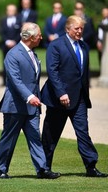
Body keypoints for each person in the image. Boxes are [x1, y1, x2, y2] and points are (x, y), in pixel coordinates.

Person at [41, 15, 108, 178]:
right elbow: (53, 71)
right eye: (76, 28)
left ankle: (91, 167)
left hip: (79, 99)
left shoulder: (84, 46)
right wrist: (61, 93)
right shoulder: (56, 45)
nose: (79, 31)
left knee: (83, 133)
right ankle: (44, 168)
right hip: (58, 99)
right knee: (51, 135)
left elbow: (82, 75)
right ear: (67, 29)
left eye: (81, 29)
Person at [0, 22, 60, 179]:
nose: (41, 38)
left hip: (32, 108)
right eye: (39, 36)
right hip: (15, 107)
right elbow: (15, 80)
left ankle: (42, 169)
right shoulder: (13, 54)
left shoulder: (33, 53)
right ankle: (0, 170)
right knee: (9, 139)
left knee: (35, 138)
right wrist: (30, 97)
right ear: (30, 37)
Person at [0, 4, 22, 86]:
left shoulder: (19, 20)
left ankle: (15, 82)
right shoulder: (3, 20)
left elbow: (20, 33)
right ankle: (4, 81)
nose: (10, 12)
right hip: (5, 46)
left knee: (16, 64)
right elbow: (1, 32)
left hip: (16, 45)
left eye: (12, 10)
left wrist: (14, 41)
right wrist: (7, 41)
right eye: (9, 10)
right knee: (5, 63)